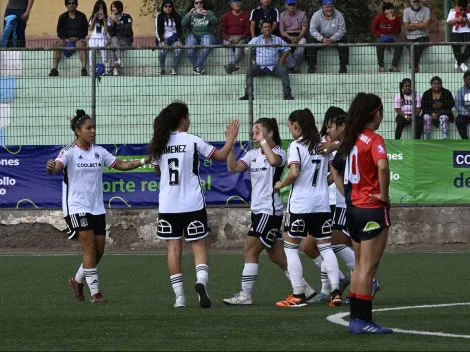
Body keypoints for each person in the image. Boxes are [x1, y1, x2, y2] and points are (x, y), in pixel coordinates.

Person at [45, 110, 151, 303]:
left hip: (96, 208)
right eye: (88, 128)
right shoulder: (68, 151)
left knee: (100, 250)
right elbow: (57, 167)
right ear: (78, 131)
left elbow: (122, 165)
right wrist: (52, 167)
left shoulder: (99, 152)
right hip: (76, 207)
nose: (93, 131)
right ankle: (95, 293)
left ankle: (77, 280)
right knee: (90, 248)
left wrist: (145, 160)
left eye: (94, 127)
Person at [149, 102, 239, 308]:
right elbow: (221, 156)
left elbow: (157, 171)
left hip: (168, 205)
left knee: (173, 249)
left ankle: (179, 298)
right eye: (188, 117)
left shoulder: (159, 142)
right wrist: (231, 137)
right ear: (182, 120)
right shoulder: (192, 140)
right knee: (198, 245)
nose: (189, 121)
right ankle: (201, 282)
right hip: (192, 203)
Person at [223, 118, 316, 305]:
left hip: (269, 211)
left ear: (270, 133)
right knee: (276, 255)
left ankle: (245, 295)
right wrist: (231, 144)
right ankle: (305, 288)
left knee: (249, 250)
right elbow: (233, 168)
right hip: (258, 211)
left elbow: (274, 162)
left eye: (258, 130)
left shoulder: (279, 152)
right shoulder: (252, 154)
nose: (254, 134)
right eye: (253, 131)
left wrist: (264, 141)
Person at [332, 93, 393, 334]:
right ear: (376, 114)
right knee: (368, 267)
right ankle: (364, 320)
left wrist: (348, 193)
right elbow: (383, 166)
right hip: (371, 210)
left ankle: (357, 319)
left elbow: (335, 169)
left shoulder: (350, 140)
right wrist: (384, 195)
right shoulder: (374, 139)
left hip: (353, 209)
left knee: (359, 266)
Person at [274, 109, 342, 308]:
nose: (290, 130)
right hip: (321, 204)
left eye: (290, 126)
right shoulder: (323, 146)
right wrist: (321, 184)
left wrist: (281, 184)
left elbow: (294, 172)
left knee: (290, 247)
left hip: (301, 204)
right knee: (325, 247)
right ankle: (336, 292)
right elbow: (332, 174)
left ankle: (298, 295)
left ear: (296, 125)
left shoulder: (296, 146)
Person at [239, 21, 294, 101]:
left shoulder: (277, 39)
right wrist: (253, 58)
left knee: (284, 71)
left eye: (269, 27)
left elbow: (287, 48)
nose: (267, 28)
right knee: (249, 71)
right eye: (265, 27)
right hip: (259, 67)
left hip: (274, 67)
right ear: (261, 29)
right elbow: (247, 49)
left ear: (271, 28)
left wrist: (281, 60)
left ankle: (287, 94)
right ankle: (248, 94)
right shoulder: (256, 39)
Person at [306, 0, 348, 74]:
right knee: (310, 40)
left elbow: (342, 30)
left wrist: (332, 39)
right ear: (322, 8)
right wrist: (322, 39)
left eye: (331, 6)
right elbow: (312, 30)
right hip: (321, 37)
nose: (329, 9)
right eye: (327, 7)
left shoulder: (339, 15)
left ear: (333, 7)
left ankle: (343, 66)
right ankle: (311, 66)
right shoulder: (316, 15)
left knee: (344, 38)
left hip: (335, 37)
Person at [49, 0, 89, 77]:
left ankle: (83, 69)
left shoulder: (82, 16)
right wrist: (65, 39)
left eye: (73, 3)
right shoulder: (62, 17)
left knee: (82, 45)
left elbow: (85, 31)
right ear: (66, 5)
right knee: (57, 45)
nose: (71, 5)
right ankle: (54, 69)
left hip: (78, 39)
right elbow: (59, 31)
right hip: (66, 40)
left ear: (76, 5)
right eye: (69, 3)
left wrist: (77, 38)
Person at [182, 0, 219, 75]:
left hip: (206, 34)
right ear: (194, 4)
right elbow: (183, 24)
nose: (199, 4)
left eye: (200, 2)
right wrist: (189, 14)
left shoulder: (208, 12)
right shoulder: (191, 13)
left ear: (203, 4)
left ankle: (197, 66)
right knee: (189, 49)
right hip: (193, 34)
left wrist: (207, 15)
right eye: (196, 3)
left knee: (206, 47)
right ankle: (198, 68)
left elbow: (215, 22)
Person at [371, 2, 403, 72]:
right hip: (382, 36)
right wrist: (380, 34)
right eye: (388, 9)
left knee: (400, 44)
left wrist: (392, 21)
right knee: (379, 44)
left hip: (393, 36)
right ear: (384, 11)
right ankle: (381, 66)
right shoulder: (379, 18)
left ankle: (394, 66)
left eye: (392, 9)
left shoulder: (397, 18)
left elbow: (398, 31)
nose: (391, 10)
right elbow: (374, 29)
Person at [221, 0, 250, 74]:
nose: (237, 4)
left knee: (240, 44)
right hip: (230, 37)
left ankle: (232, 65)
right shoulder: (226, 16)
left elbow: (248, 31)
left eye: (238, 2)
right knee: (226, 43)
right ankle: (234, 65)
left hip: (242, 37)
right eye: (235, 2)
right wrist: (228, 38)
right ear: (231, 5)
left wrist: (240, 38)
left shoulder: (246, 15)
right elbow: (223, 32)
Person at [279, 0, 308, 74]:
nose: (292, 6)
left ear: (296, 5)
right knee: (282, 45)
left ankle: (291, 66)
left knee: (303, 42)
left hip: (299, 34)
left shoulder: (302, 14)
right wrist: (289, 37)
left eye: (293, 4)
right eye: (289, 4)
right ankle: (293, 66)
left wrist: (298, 38)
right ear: (286, 5)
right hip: (287, 35)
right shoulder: (282, 15)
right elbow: (281, 30)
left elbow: (304, 29)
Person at [156, 0, 183, 75]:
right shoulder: (159, 16)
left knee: (179, 50)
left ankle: (173, 68)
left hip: (175, 38)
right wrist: (162, 40)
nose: (168, 8)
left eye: (169, 6)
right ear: (163, 7)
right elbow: (158, 30)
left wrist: (179, 40)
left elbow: (180, 29)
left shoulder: (177, 15)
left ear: (172, 7)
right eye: (166, 6)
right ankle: (161, 68)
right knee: (162, 52)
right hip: (164, 38)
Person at [403, 0, 430, 73]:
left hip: (423, 35)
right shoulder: (406, 11)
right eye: (414, 1)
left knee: (418, 45)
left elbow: (425, 25)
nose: (416, 3)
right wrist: (419, 25)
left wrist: (413, 25)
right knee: (412, 47)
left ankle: (413, 66)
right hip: (410, 36)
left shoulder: (426, 10)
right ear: (411, 2)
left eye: (417, 1)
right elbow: (406, 26)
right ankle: (414, 66)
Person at [108, 1, 133, 76]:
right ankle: (118, 62)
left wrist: (119, 23)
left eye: (114, 7)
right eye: (112, 7)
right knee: (114, 40)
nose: (112, 9)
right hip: (116, 42)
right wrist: (112, 25)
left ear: (119, 8)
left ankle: (114, 68)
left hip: (125, 42)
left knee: (113, 45)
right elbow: (111, 34)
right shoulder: (111, 18)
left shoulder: (127, 17)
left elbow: (127, 31)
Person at [447, 0, 470, 72]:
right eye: (461, 9)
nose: (463, 11)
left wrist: (467, 21)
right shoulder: (453, 11)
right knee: (454, 44)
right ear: (458, 7)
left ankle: (459, 61)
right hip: (456, 32)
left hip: (467, 32)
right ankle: (461, 63)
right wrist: (456, 19)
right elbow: (449, 22)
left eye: (464, 10)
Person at [88, 0, 109, 75]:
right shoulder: (92, 18)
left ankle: (106, 67)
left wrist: (104, 19)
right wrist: (94, 18)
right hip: (94, 37)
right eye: (99, 9)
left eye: (102, 8)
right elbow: (90, 29)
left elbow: (106, 30)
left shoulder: (107, 18)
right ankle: (91, 68)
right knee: (92, 49)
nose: (100, 10)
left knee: (102, 46)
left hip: (102, 37)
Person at [455, 71, 470, 139]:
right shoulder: (461, 91)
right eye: (468, 79)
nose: (469, 81)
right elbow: (458, 105)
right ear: (464, 80)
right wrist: (466, 112)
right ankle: (465, 140)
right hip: (466, 114)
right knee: (459, 120)